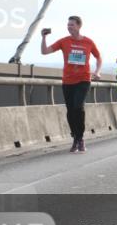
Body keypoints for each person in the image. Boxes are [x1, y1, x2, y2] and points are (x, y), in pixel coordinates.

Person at [41, 15, 102, 153]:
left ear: (79, 26)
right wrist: (43, 38)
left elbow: (98, 57)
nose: (69, 27)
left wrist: (97, 71)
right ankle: (75, 137)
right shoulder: (64, 41)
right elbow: (44, 52)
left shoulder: (88, 42)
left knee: (78, 107)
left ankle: (80, 139)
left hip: (84, 79)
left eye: (72, 25)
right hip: (68, 81)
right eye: (68, 25)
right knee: (70, 111)